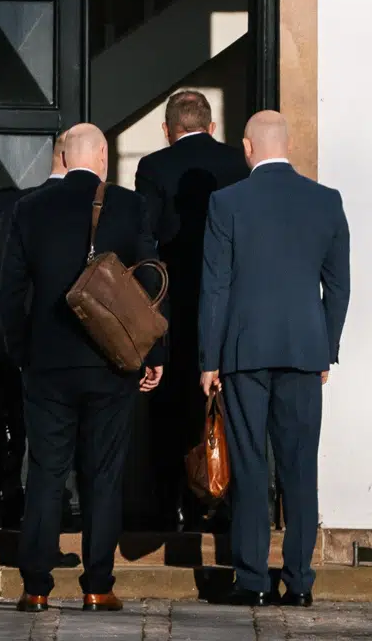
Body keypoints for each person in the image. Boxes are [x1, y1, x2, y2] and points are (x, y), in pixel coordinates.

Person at [0, 123, 166, 613]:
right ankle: (97, 585)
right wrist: (152, 355)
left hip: (47, 367)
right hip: (111, 365)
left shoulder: (28, 208)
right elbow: (152, 282)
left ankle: (35, 588)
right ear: (103, 160)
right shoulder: (129, 206)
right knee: (103, 474)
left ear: (65, 159)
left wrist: (21, 352)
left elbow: (10, 294)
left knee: (47, 474)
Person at [198, 111, 350, 607]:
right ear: (289, 144)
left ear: (247, 148)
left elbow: (215, 286)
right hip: (305, 350)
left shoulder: (227, 202)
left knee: (249, 464)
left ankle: (251, 580)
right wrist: (327, 347)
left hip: (243, 351)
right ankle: (300, 581)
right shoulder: (326, 201)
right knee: (300, 469)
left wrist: (209, 359)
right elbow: (339, 287)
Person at [134, 91, 247, 530]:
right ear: (211, 126)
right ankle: (221, 502)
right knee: (227, 405)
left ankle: (172, 506)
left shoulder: (153, 167)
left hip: (176, 305)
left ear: (167, 130)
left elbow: (147, 245)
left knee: (171, 408)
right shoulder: (238, 163)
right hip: (231, 303)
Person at [0, 133, 69, 530]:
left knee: (10, 426)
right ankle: (52, 511)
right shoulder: (92, 205)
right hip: (66, 345)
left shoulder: (7, 205)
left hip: (8, 339)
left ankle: (8, 504)